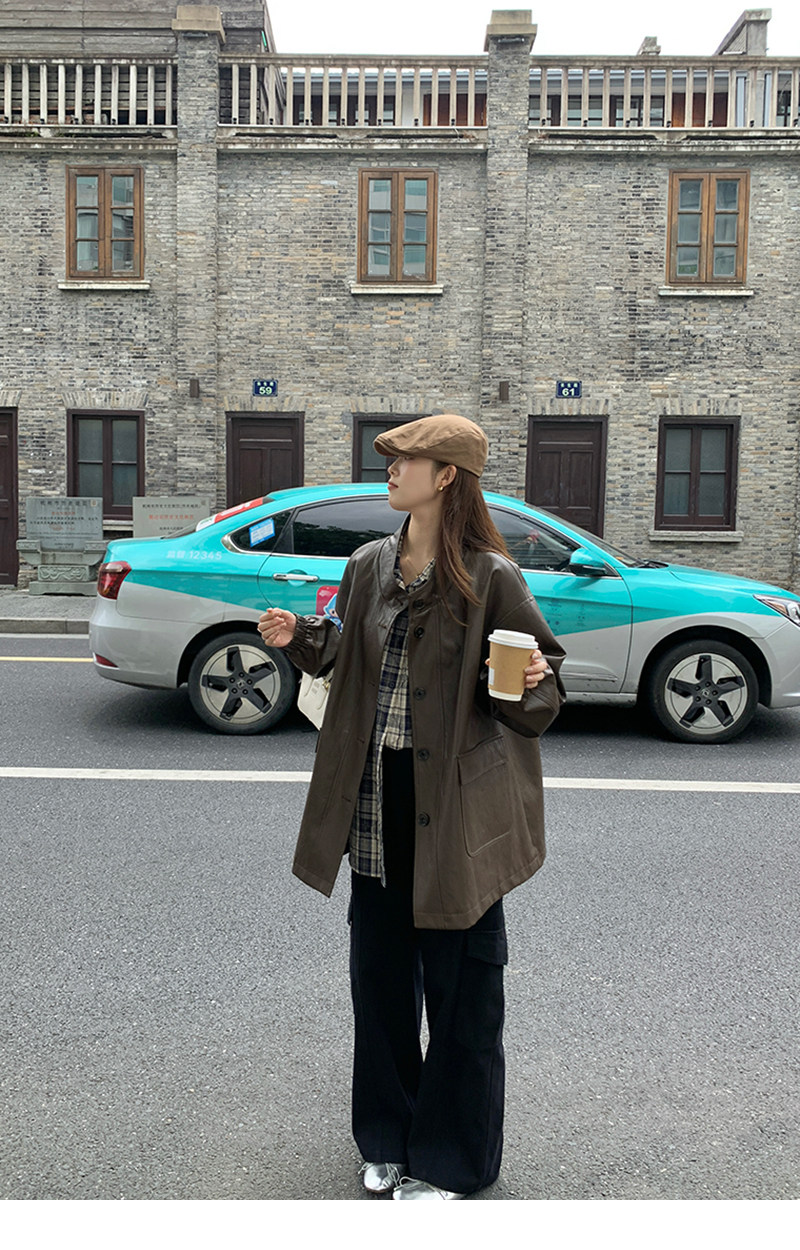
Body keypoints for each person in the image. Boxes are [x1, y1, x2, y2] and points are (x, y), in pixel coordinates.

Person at [258, 414, 566, 1200]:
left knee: (464, 998)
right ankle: (387, 1138)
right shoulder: (369, 564)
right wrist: (300, 637)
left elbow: (540, 697)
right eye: (389, 461)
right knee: (381, 986)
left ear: (447, 476)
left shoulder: (492, 577)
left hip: (456, 811)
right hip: (373, 800)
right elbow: (343, 649)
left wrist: (533, 682)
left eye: (406, 461)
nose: (390, 472)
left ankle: (452, 1161)